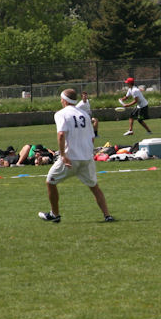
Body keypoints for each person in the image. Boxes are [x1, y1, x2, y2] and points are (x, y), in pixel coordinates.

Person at [38, 88, 115, 223]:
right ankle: (107, 215)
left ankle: (55, 214)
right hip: (87, 158)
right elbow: (92, 137)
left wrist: (63, 155)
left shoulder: (60, 114)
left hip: (71, 157)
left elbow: (61, 134)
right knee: (95, 187)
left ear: (64, 100)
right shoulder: (84, 114)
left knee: (50, 181)